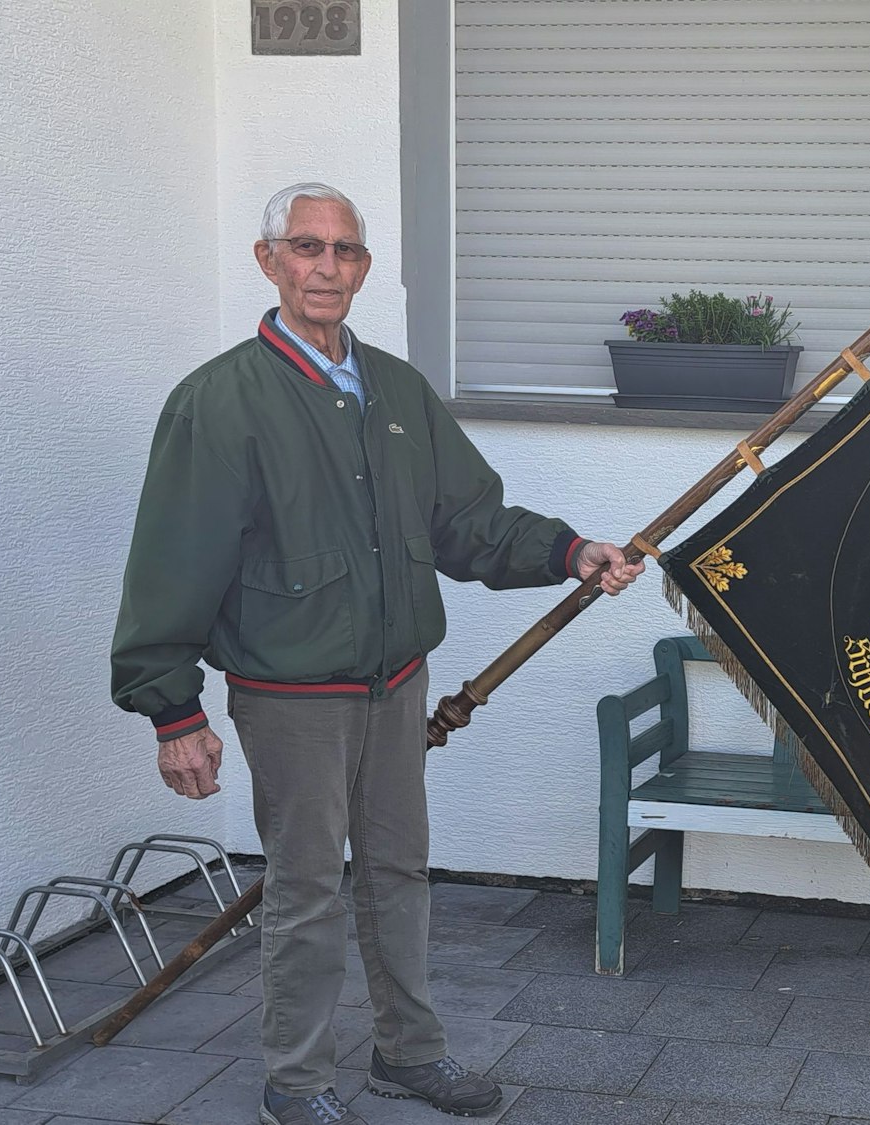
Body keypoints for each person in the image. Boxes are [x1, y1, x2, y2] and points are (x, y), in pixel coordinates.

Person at [110, 182, 643, 1124]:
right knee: (307, 888)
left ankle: (410, 1052)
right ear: (267, 259)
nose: (327, 267)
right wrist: (172, 711)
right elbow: (172, 562)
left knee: (399, 872)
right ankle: (298, 1078)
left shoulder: (397, 390)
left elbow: (467, 520)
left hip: (397, 685)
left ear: (363, 266)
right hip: (290, 697)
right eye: (306, 248)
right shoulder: (218, 402)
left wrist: (569, 551)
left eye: (345, 251)